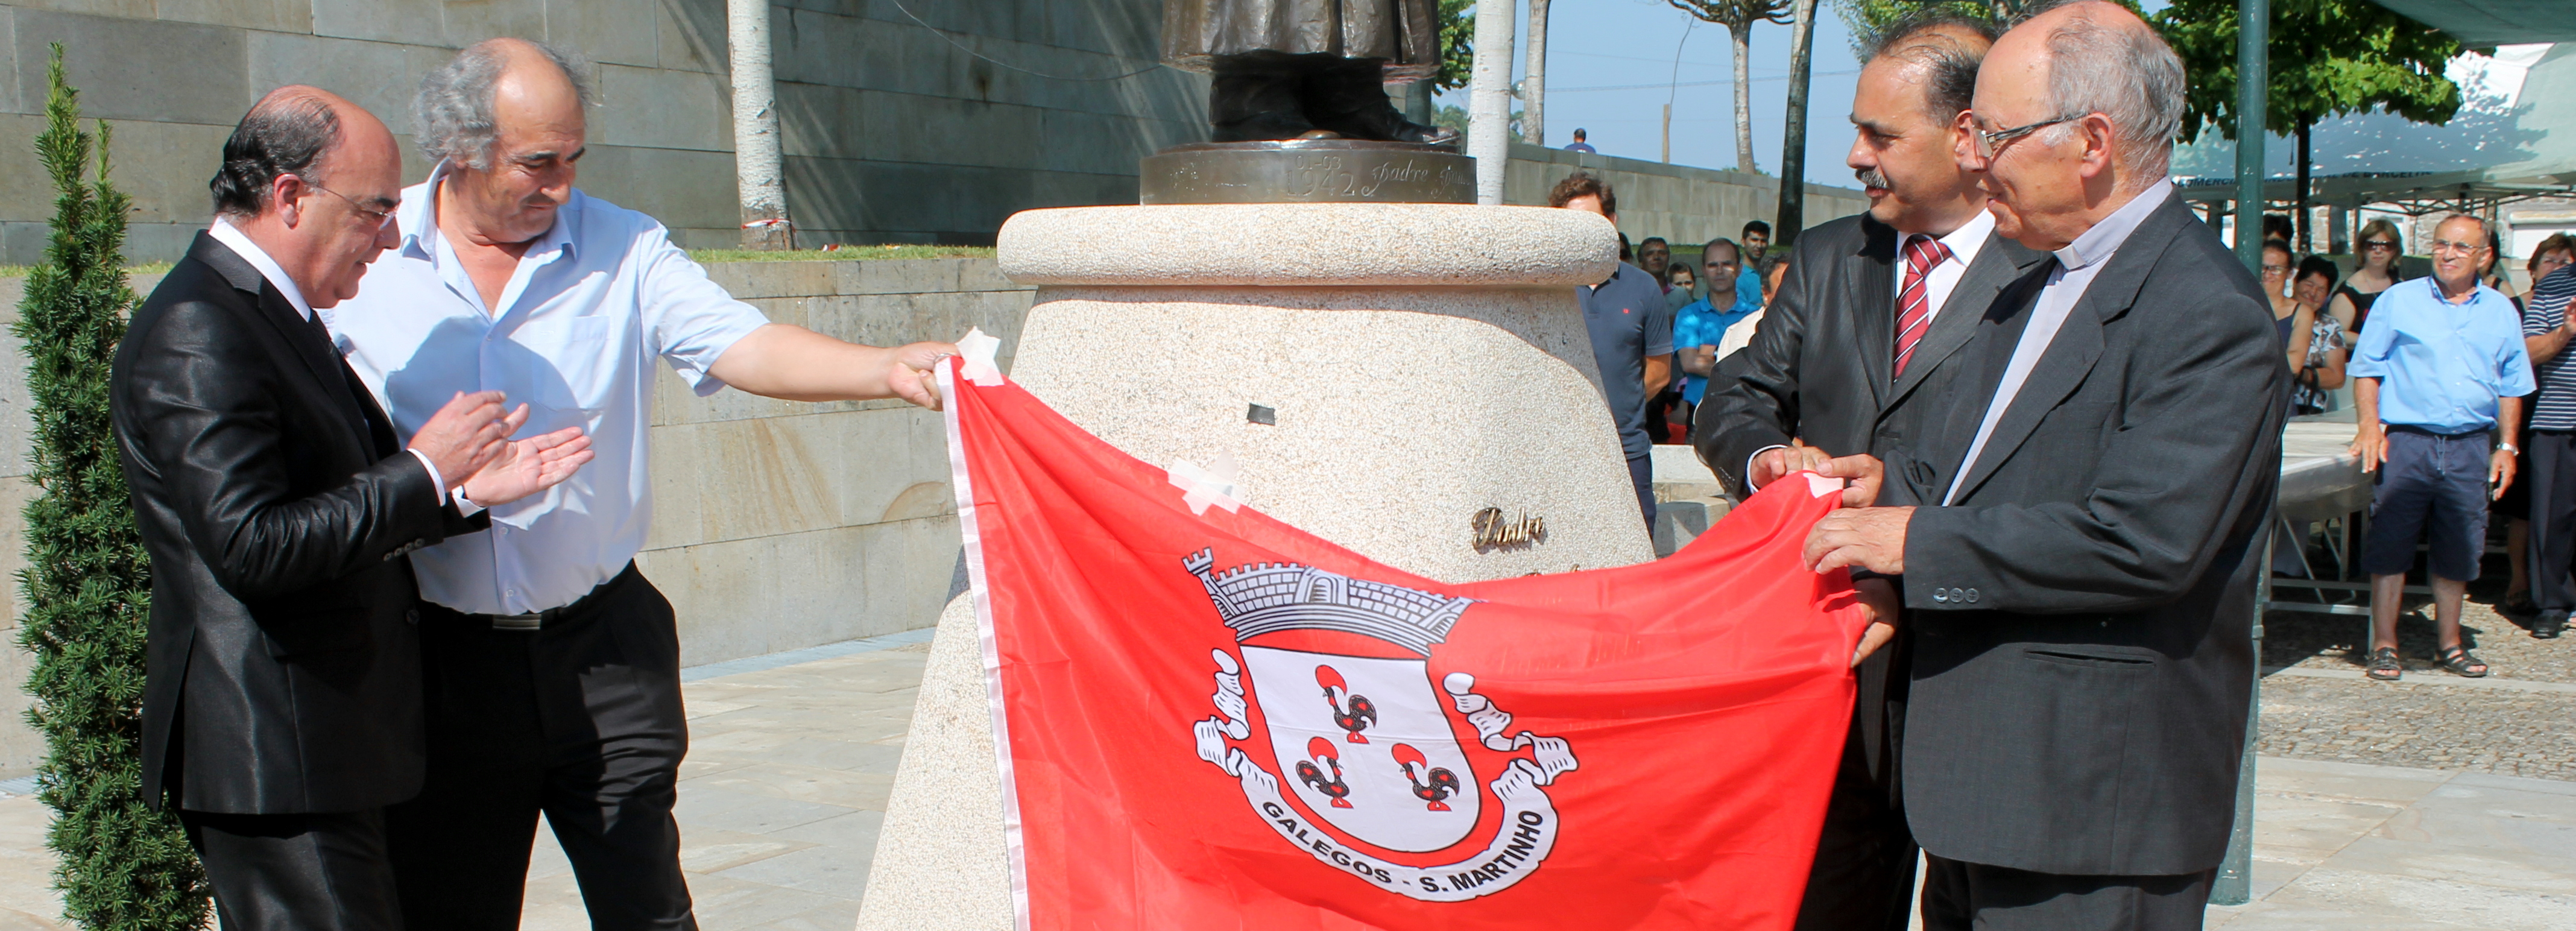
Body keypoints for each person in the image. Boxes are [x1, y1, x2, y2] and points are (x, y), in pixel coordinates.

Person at [327, 40, 955, 930]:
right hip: (441, 666)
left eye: (576, 157)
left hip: (604, 649)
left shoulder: (624, 246)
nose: (562, 184)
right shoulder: (369, 268)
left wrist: (882, 366)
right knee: (449, 910)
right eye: (537, 163)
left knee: (647, 907)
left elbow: (741, 344)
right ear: (460, 150)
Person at [1801, 4, 2287, 927]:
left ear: (2093, 143)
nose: (1975, 158)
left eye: (1995, 134)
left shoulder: (2203, 311)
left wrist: (1917, 542)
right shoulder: (2038, 279)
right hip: (1986, 793)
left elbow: (2147, 539)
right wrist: (1888, 485)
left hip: (2091, 809)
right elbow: (1980, 470)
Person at [112, 86, 592, 931]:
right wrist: (421, 471)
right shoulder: (203, 325)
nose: (391, 236)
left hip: (324, 746)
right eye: (373, 210)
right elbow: (253, 547)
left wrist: (460, 493)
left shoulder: (271, 312)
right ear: (290, 197)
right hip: (278, 757)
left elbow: (320, 505)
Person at [1694, 11, 2047, 929]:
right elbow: (1736, 398)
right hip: (1832, 663)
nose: (1856, 156)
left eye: (1881, 135)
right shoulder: (1828, 259)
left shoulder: (2046, 275)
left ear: (1967, 138)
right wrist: (1773, 459)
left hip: (1979, 664)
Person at [2347, 214, 2533, 681]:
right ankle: (2385, 645)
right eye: (2441, 244)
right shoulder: (2398, 300)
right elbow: (2367, 368)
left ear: (2484, 256)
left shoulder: (2501, 311)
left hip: (2471, 444)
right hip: (2408, 440)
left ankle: (2449, 646)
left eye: (2461, 247)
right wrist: (2370, 426)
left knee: (2461, 546)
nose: (2448, 254)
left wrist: (2508, 445)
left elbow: (2512, 384)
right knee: (2391, 543)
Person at [1549, 171, 1672, 527]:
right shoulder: (1542, 288)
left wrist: (1615, 407)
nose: (1583, 230)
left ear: (1612, 223)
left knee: (1637, 553)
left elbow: (1660, 372)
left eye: (1592, 220)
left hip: (1627, 451)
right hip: (1558, 452)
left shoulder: (1644, 288)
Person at [2515, 252, 2576, 639]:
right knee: (2552, 518)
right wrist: (2565, 331)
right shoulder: (2554, 285)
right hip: (2558, 416)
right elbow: (2526, 352)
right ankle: (2552, 603)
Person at [1673, 239, 1760, 414]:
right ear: (1703, 271)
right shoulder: (1688, 315)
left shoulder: (1757, 317)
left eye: (1727, 264)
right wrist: (1740, 367)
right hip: (1700, 413)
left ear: (1739, 269)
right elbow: (1690, 363)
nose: (1720, 271)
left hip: (1746, 412)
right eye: (1713, 265)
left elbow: (1762, 369)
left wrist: (1710, 355)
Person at [2291, 254, 2347, 415]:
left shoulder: (2329, 326)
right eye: (2309, 284)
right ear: (2296, 282)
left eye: (2321, 289)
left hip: (2308, 411)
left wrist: (2301, 374)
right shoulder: (2276, 315)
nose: (2313, 293)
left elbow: (2337, 377)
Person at [2333, 218, 2408, 333]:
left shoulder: (2400, 286)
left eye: (2386, 246)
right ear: (2362, 249)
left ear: (2394, 251)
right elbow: (2338, 335)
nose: (2378, 251)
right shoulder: (2348, 293)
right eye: (2371, 245)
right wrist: (2376, 343)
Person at [1739, 219, 1774, 299]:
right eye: (1754, 240)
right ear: (1743, 242)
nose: (1759, 246)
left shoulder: (1770, 274)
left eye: (1763, 241)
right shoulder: (1737, 276)